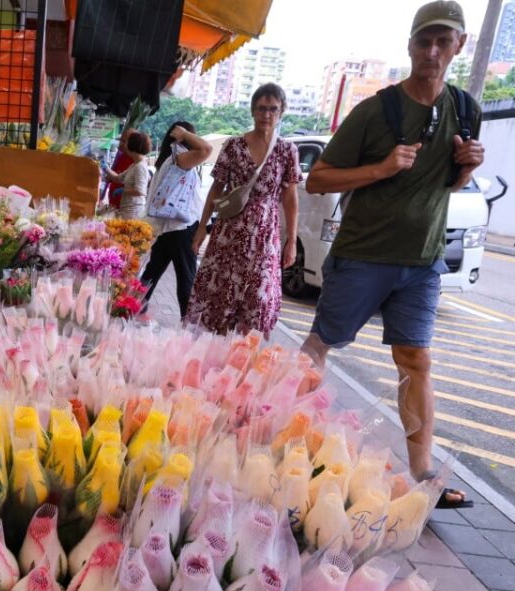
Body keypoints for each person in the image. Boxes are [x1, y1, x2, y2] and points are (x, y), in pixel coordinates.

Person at [302, 1, 484, 509]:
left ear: (458, 47)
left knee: (416, 360)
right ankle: (287, 439)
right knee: (320, 346)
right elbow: (318, 179)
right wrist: (380, 169)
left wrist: (466, 168)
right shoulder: (376, 110)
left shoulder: (466, 109)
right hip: (363, 255)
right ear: (409, 45)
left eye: (442, 42)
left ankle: (423, 471)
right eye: (423, 41)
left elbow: (447, 183)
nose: (431, 51)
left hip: (421, 262)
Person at [185, 83, 301, 338]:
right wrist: (202, 227)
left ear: (282, 112)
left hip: (265, 234)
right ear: (252, 110)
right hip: (230, 230)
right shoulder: (234, 146)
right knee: (222, 293)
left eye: (273, 109)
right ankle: (217, 355)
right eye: (261, 108)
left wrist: (291, 240)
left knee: (257, 298)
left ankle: (241, 360)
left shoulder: (286, 151)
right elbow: (216, 188)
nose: (266, 115)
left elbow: (290, 197)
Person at [140, 121, 212, 317]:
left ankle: (130, 309)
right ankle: (188, 326)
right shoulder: (180, 158)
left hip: (167, 227)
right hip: (180, 227)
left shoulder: (169, 159)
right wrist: (186, 135)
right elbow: (206, 149)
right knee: (186, 278)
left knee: (151, 273)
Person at [102, 130, 153, 220]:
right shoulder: (134, 165)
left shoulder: (140, 167)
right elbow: (118, 178)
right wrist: (106, 168)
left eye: (125, 142)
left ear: (132, 146)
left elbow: (140, 191)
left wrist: (123, 190)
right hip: (126, 210)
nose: (123, 145)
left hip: (134, 213)